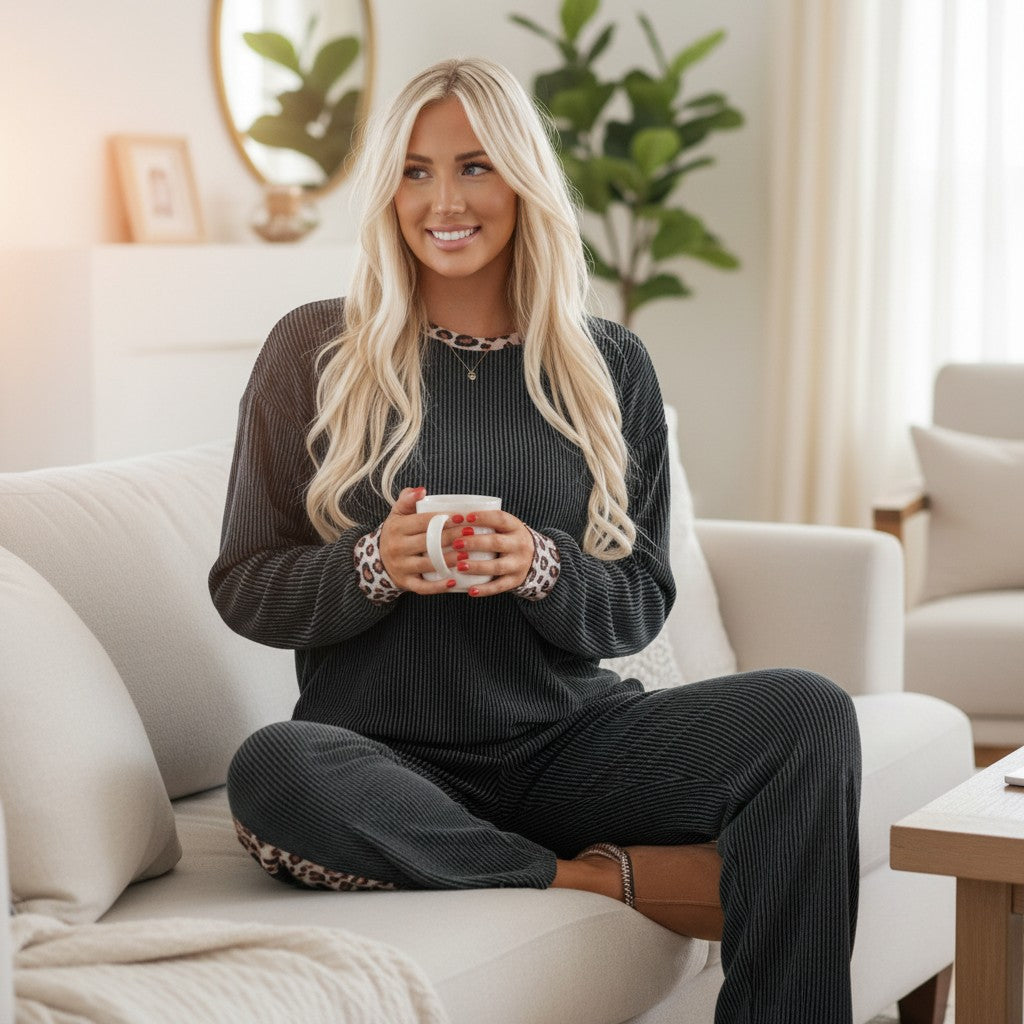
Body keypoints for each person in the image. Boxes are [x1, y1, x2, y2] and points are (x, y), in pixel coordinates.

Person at [210, 56, 861, 1023]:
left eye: (475, 166)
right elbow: (244, 585)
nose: (444, 201)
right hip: (383, 760)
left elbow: (639, 598)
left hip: (568, 746)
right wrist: (370, 567)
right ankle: (586, 881)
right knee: (273, 766)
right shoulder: (313, 350)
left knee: (809, 714)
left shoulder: (609, 364)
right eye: (416, 170)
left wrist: (541, 566)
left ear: (522, 178)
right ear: (387, 189)